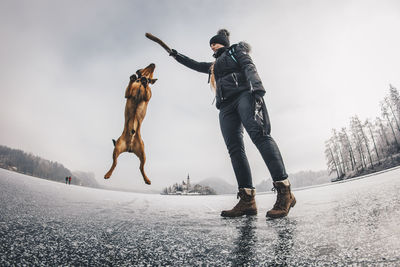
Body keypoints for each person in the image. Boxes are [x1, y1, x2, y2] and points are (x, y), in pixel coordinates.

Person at [169, 29, 296, 218]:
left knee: (259, 136)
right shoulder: (213, 66)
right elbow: (195, 65)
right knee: (235, 149)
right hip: (225, 106)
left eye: (215, 42)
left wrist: (257, 87)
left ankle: (285, 192)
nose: (212, 45)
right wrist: (176, 56)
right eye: (210, 44)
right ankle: (247, 200)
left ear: (223, 42)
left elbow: (248, 65)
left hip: (245, 95)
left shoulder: (236, 51)